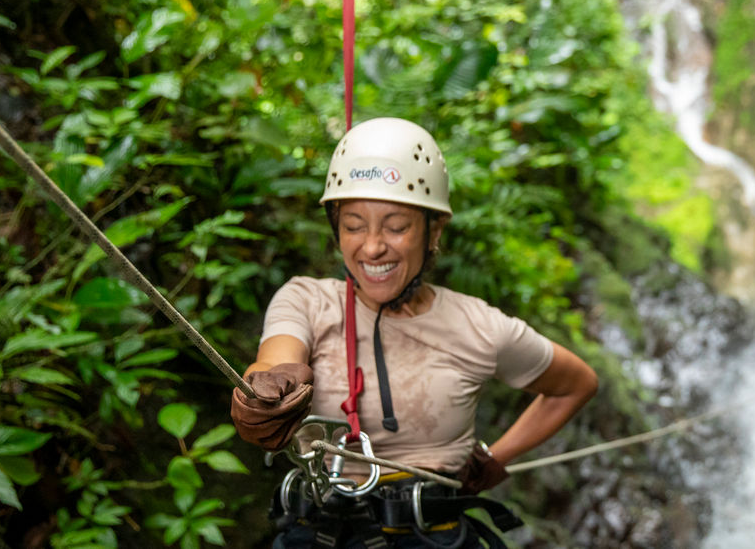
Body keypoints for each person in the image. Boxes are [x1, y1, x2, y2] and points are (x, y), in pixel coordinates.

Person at [230, 118, 599, 549]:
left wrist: (496, 458)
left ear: (433, 229)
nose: (372, 247)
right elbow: (276, 359)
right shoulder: (307, 301)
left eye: (396, 226)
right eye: (353, 225)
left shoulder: (479, 326)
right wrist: (267, 391)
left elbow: (576, 384)